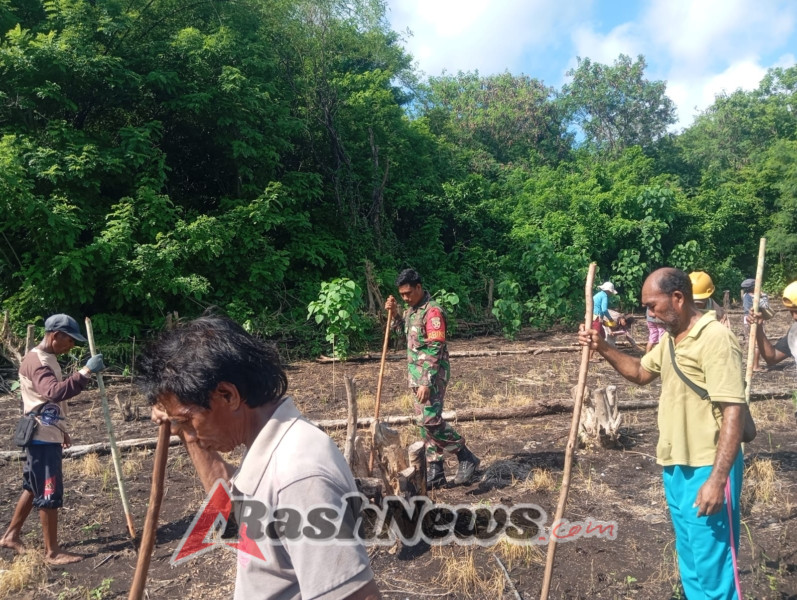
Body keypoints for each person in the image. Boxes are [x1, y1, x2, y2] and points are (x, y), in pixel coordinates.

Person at [138, 314, 381, 600]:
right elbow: (235, 513)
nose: (188, 431)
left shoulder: (299, 476)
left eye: (188, 420)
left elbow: (359, 596)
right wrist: (185, 431)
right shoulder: (271, 447)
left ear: (228, 395)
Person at [579, 268, 746, 599]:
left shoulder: (715, 338)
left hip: (707, 467)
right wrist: (602, 347)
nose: (648, 314)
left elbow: (733, 411)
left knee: (714, 570)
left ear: (679, 298)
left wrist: (716, 480)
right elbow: (641, 372)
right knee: (692, 565)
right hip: (675, 466)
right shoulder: (672, 340)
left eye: (653, 306)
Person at [0, 314, 106, 564]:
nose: (72, 346)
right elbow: (53, 392)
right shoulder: (38, 362)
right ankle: (52, 552)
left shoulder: (46, 358)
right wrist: (86, 371)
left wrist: (62, 429)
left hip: (47, 431)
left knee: (32, 485)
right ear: (55, 335)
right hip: (41, 437)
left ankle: (11, 535)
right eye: (69, 340)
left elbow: (45, 401)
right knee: (48, 490)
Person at [385, 269, 479, 489]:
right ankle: (435, 469)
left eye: (408, 293)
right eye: (402, 295)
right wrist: (396, 314)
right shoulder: (411, 311)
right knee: (423, 424)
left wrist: (427, 381)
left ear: (419, 287)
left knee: (431, 421)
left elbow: (435, 347)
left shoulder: (433, 312)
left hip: (432, 375)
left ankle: (465, 455)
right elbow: (402, 334)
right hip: (416, 376)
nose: (406, 298)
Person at [752, 281, 797, 422]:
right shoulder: (795, 333)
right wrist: (759, 328)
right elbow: (772, 357)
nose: (795, 316)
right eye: (791, 311)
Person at [741, 278, 766, 371]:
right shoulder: (756, 297)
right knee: (757, 343)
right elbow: (765, 306)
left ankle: (751, 365)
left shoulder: (745, 295)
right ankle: (755, 366)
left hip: (747, 319)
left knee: (751, 342)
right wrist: (763, 296)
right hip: (755, 319)